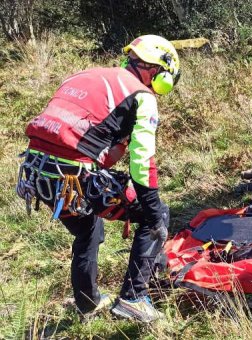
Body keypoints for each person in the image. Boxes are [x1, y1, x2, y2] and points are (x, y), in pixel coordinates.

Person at [15, 35, 181, 322]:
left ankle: (88, 302)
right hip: (72, 176)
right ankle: (134, 298)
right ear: (159, 71)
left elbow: (86, 143)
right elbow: (143, 163)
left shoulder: (86, 74)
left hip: (35, 169)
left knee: (88, 228)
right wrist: (151, 206)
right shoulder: (142, 96)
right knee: (156, 216)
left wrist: (119, 145)